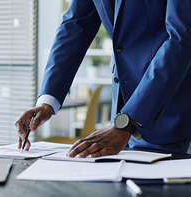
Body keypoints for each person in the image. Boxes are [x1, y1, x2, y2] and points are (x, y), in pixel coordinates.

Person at [15, 0, 191, 157]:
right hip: (122, 112)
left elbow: (182, 37)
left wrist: (128, 121)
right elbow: (75, 25)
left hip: (166, 107)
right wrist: (47, 101)